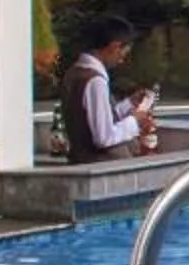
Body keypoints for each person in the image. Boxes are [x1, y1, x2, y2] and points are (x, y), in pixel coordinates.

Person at [58, 14, 157, 162]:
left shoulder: (75, 72)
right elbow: (104, 137)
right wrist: (134, 121)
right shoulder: (94, 81)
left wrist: (129, 104)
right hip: (100, 165)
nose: (122, 60)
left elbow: (94, 119)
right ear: (114, 47)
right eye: (123, 53)